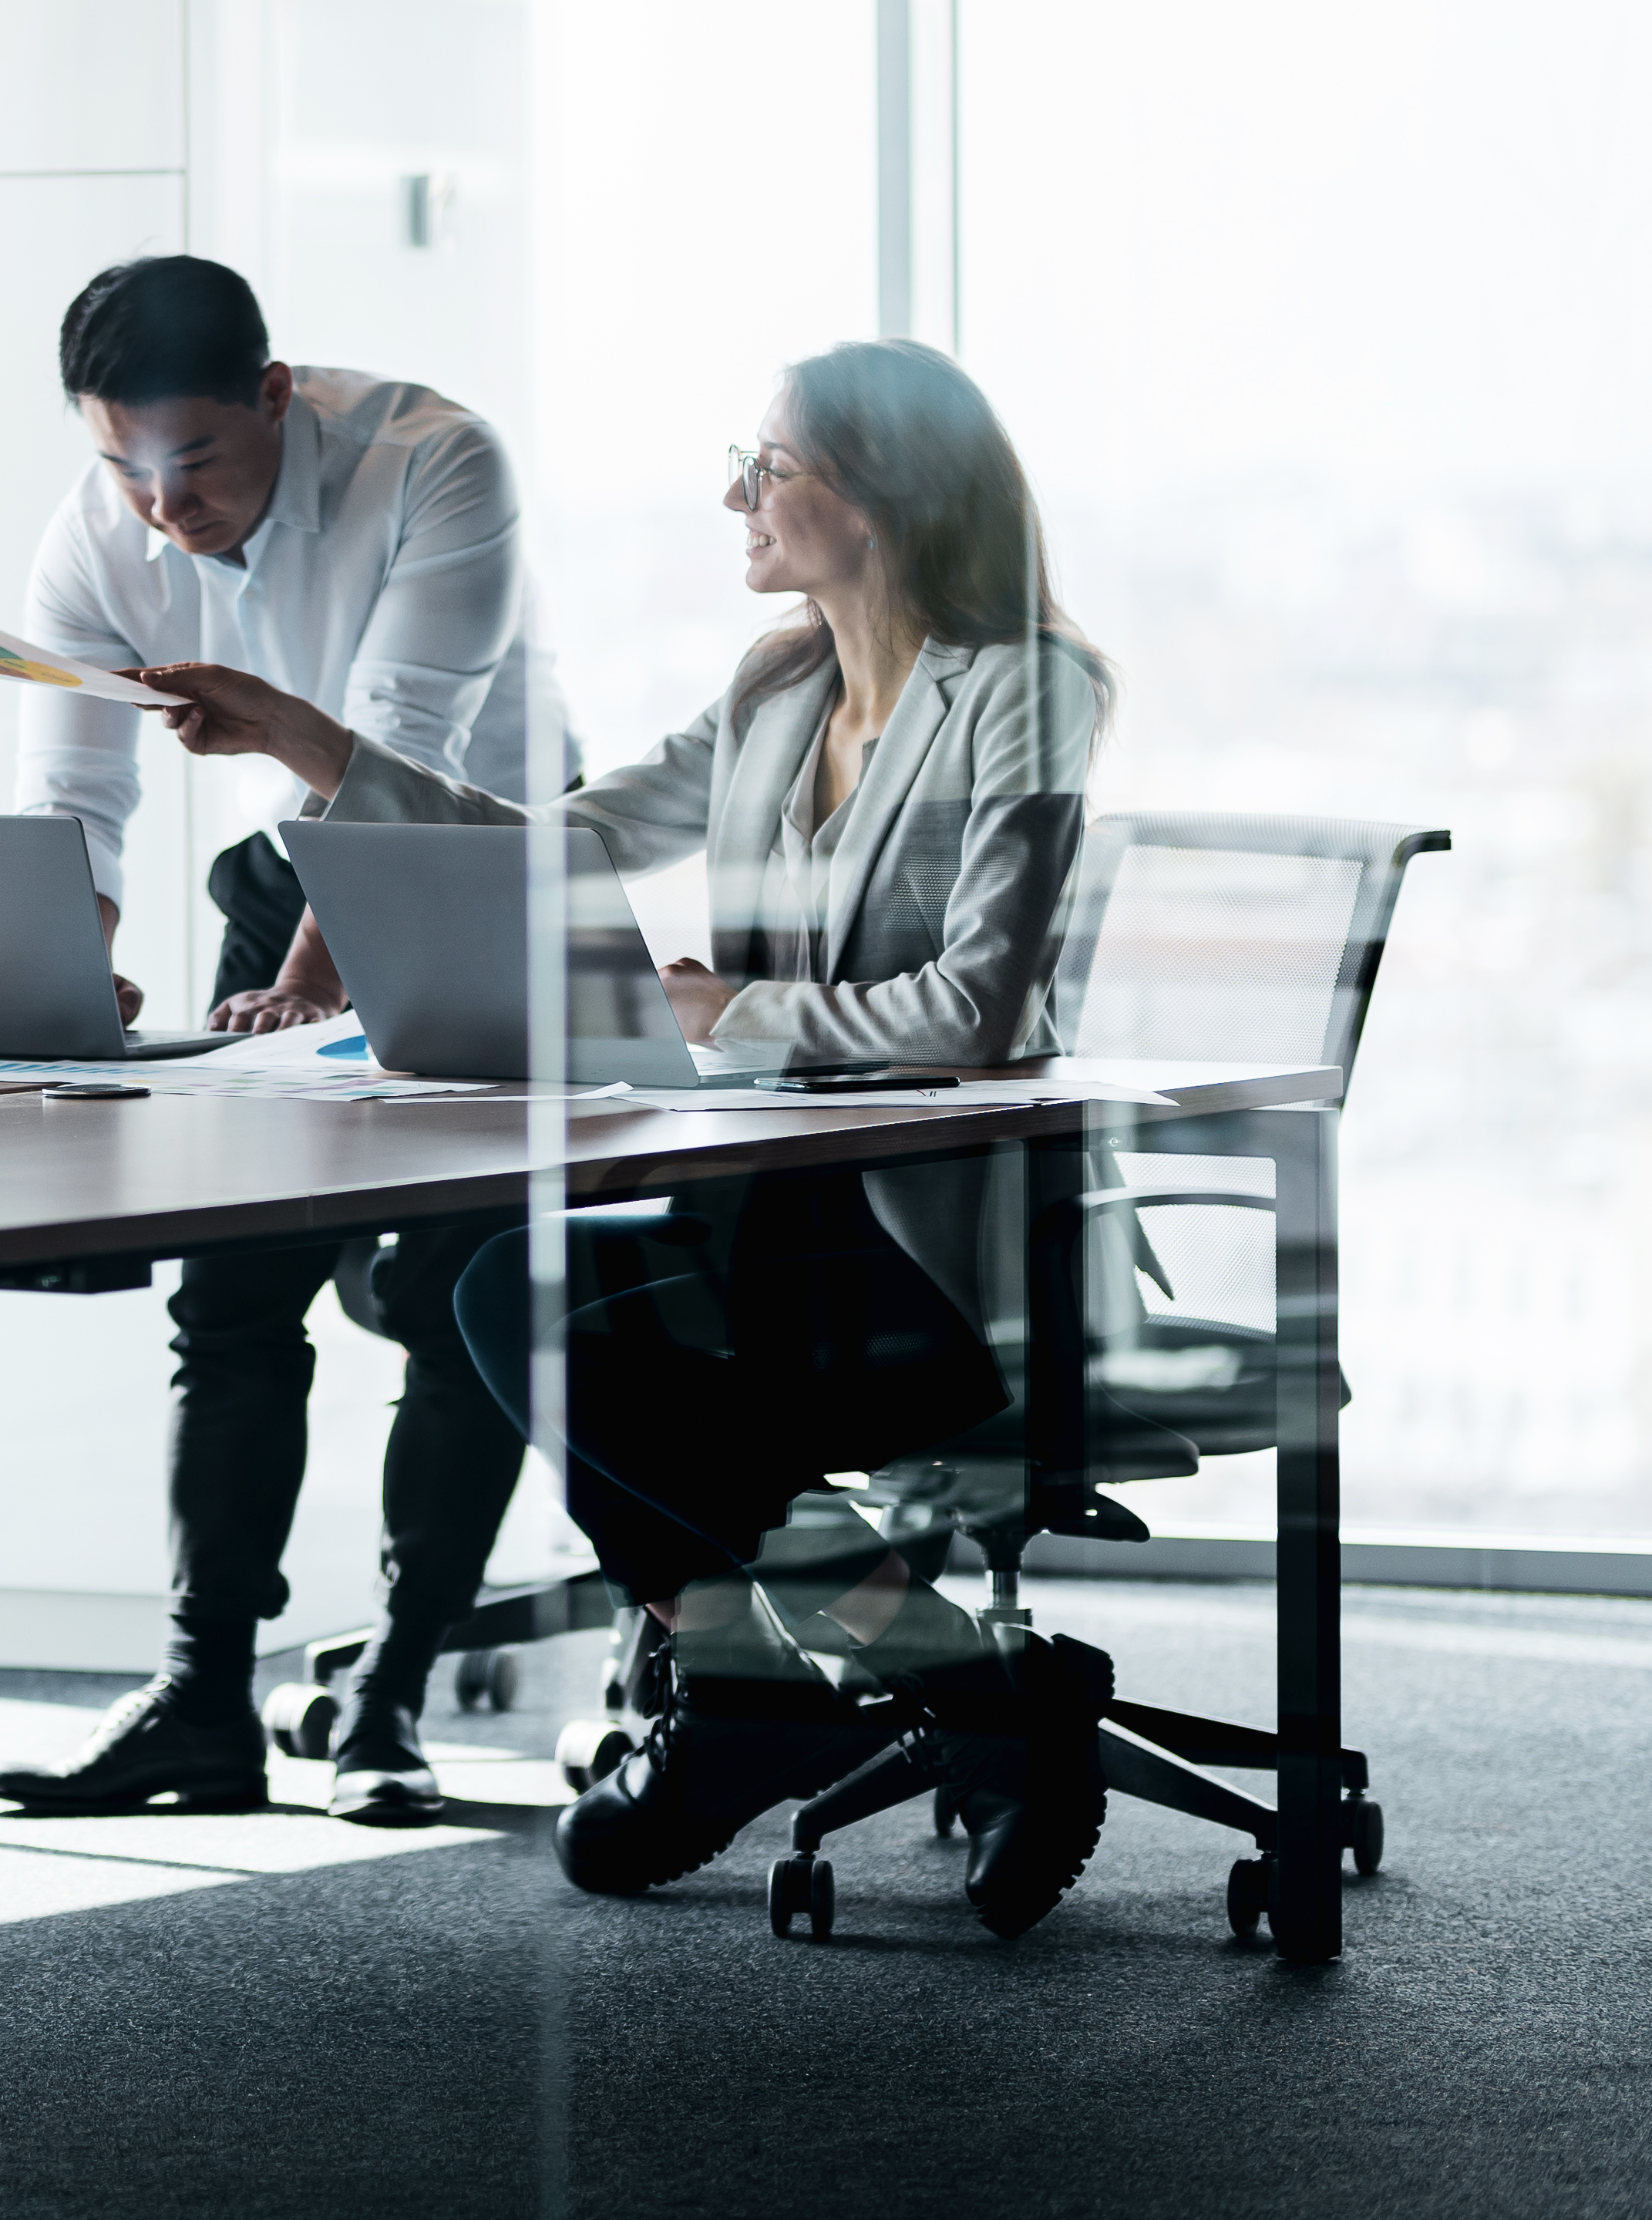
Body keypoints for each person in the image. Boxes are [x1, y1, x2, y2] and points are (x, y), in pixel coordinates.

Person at [136, 337, 1116, 1934]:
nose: (736, 491)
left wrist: (725, 1013)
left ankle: (785, 1688)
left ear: (876, 497)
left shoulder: (1023, 689)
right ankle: (857, 1677)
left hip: (947, 1244)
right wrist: (301, 739)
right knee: (503, 1287)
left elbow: (984, 1013)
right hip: (778, 1208)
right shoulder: (780, 685)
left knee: (611, 1348)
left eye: (770, 462)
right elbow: (554, 846)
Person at [0, 255, 573, 1828]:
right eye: (123, 468)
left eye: (196, 463)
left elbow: (405, 757)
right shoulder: (96, 532)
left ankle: (389, 1693)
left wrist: (320, 980)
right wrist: (68, 978)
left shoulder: (438, 464)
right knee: (232, 1300)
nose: (161, 508)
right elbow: (74, 799)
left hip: (476, 865)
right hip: (284, 874)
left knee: (457, 1300)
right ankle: (203, 1701)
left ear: (272, 394)